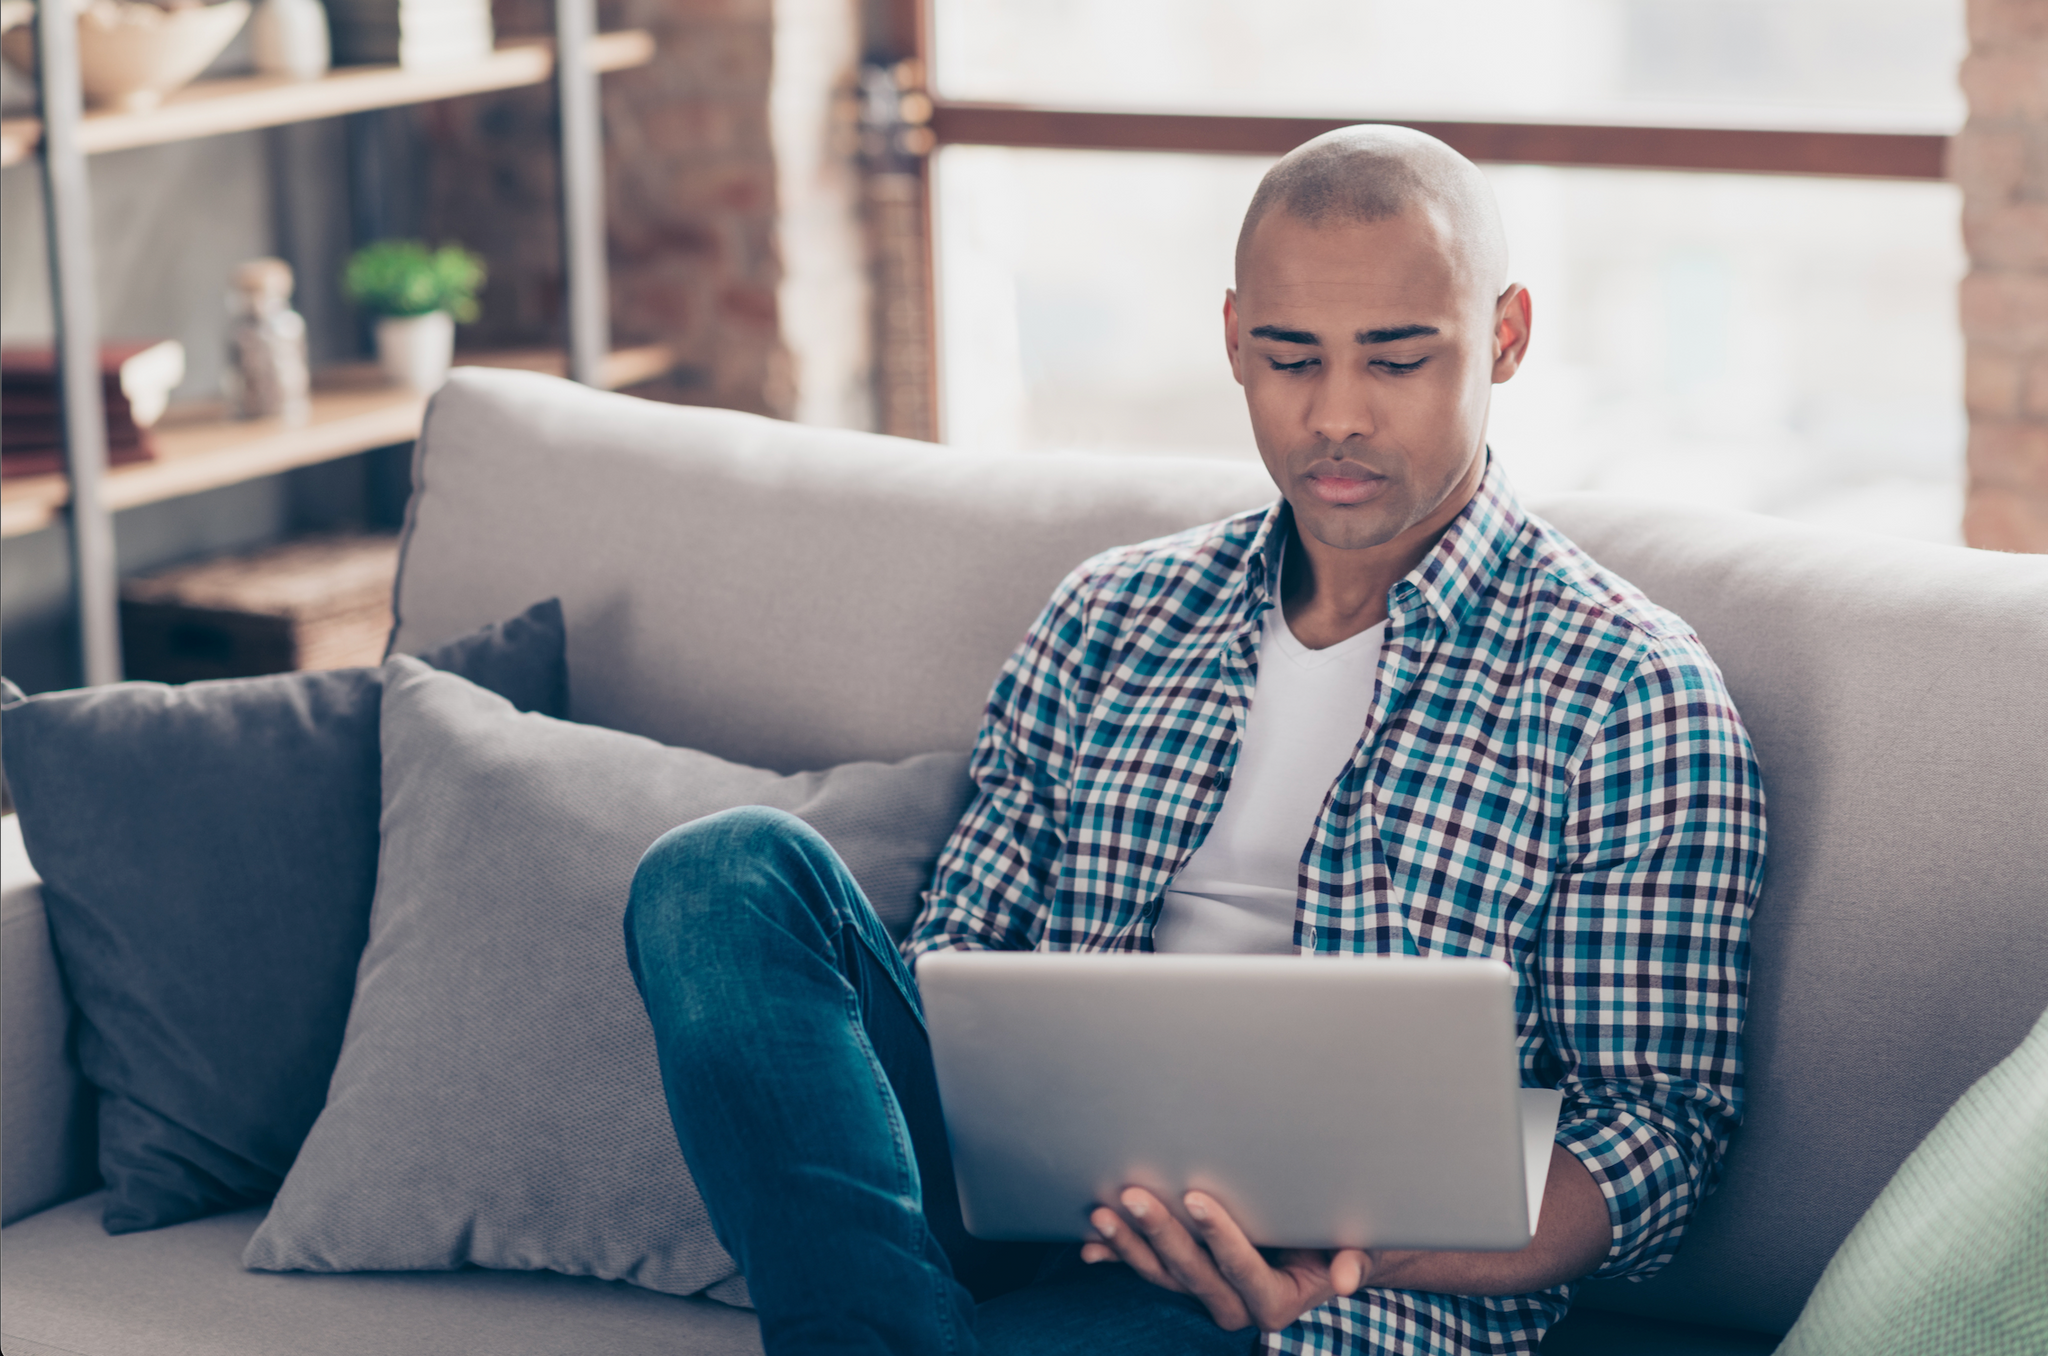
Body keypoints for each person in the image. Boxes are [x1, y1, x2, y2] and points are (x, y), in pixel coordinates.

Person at [623, 124, 1766, 1356]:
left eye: (1395, 361)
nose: (1335, 416)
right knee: (720, 876)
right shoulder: (1109, 614)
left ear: (1503, 335)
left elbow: (1653, 1135)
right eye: (1289, 359)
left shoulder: (1627, 691)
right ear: (1232, 340)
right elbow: (959, 962)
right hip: (1020, 1216)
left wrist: (1330, 1251)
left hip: (1310, 1301)